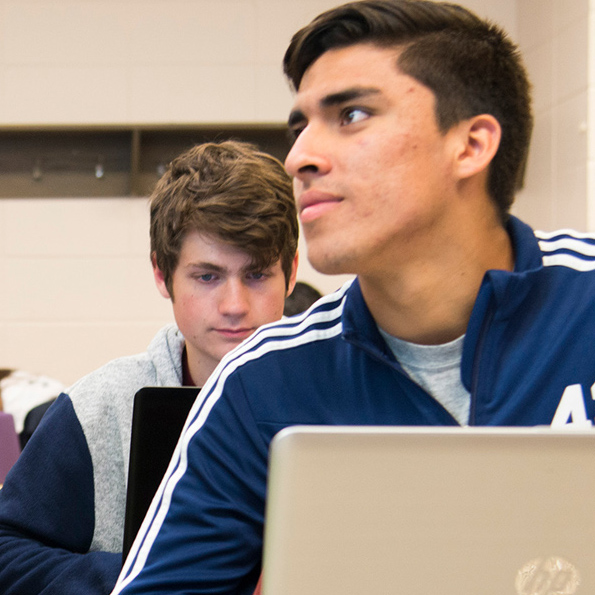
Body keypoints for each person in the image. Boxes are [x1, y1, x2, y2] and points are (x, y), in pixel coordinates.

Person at [112, 1, 595, 594]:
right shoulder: (261, 383)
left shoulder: (585, 304)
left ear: (470, 144)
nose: (299, 158)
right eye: (300, 127)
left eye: (353, 114)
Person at [0, 140, 298, 595]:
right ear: (162, 274)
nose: (235, 306)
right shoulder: (98, 407)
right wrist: (149, 576)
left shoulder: (339, 396)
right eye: (207, 276)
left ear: (292, 271)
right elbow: (8, 550)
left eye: (257, 275)